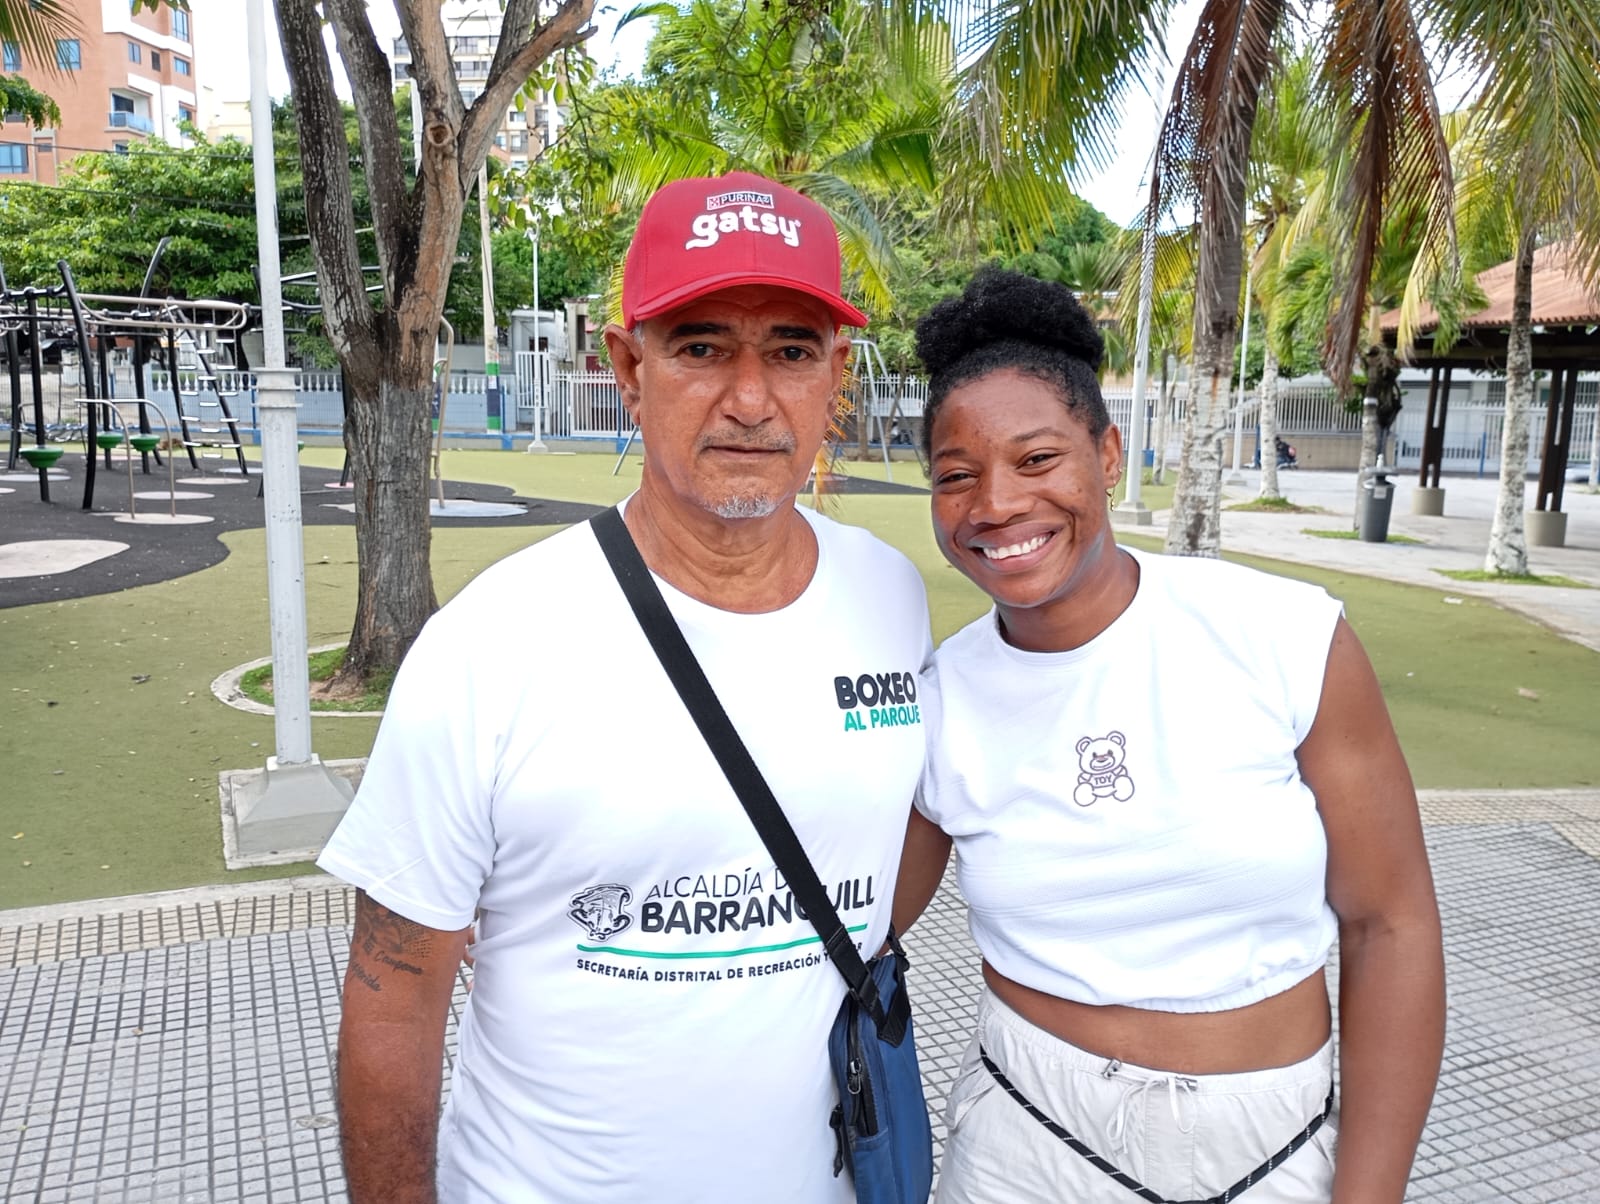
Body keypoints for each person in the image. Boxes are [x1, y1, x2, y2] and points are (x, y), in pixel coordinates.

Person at [316, 171, 933, 1203]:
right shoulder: (493, 644)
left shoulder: (890, 594)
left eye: (789, 350)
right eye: (700, 347)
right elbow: (391, 1006)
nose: (749, 398)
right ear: (627, 368)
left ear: (835, 375)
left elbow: (908, 828)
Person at [893, 268, 1445, 1203]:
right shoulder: (940, 698)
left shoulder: (1282, 635)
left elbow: (1388, 924)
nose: (995, 504)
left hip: (1274, 1140)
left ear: (1107, 455)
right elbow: (853, 929)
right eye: (956, 476)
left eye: (1037, 460)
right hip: (1030, 1137)